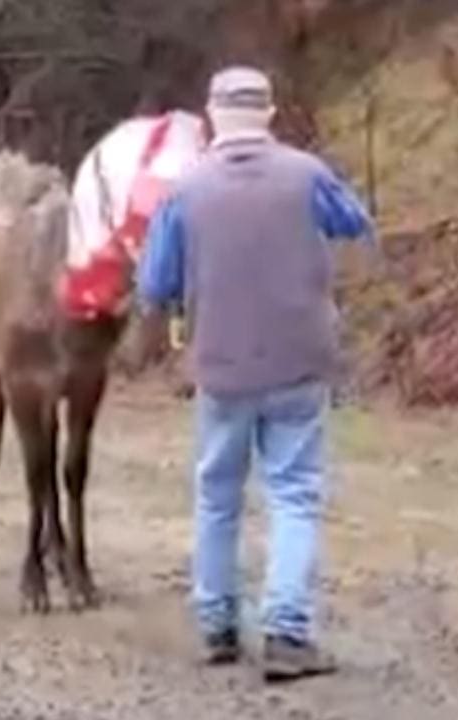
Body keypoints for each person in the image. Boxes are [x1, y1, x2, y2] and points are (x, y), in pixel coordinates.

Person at [137, 66, 375, 682]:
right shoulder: (308, 174)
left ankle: (217, 627)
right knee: (294, 494)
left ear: (213, 117)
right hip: (300, 362)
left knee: (217, 497)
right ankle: (287, 635)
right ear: (268, 114)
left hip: (221, 366)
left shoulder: (185, 190)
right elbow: (356, 224)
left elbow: (155, 285)